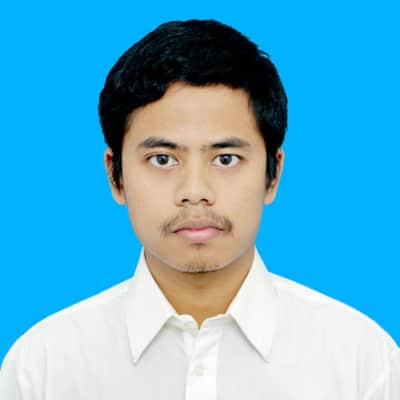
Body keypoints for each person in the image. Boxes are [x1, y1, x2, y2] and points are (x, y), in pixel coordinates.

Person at [0, 18, 399, 400]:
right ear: (115, 176)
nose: (195, 192)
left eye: (225, 159)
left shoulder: (361, 361)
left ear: (273, 174)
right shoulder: (44, 367)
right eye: (162, 159)